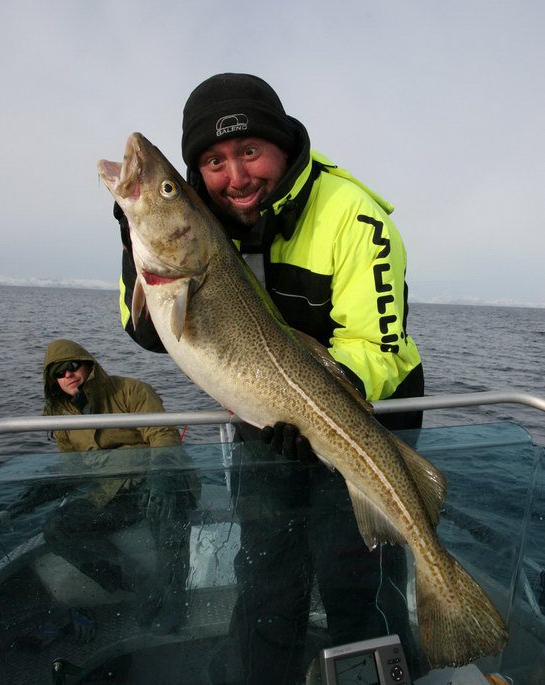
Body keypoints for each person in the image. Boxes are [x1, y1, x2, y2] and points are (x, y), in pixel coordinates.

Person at [115, 74, 425, 682]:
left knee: (355, 577)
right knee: (266, 573)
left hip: (364, 410)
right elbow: (149, 333)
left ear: (284, 146)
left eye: (250, 151)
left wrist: (319, 405)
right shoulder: (201, 221)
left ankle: (401, 657)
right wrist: (137, 244)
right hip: (266, 412)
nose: (236, 177)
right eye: (212, 161)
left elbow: (379, 346)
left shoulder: (353, 215)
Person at [23, 339, 199, 634]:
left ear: (88, 364)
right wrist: (45, 489)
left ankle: (173, 597)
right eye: (58, 372)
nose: (67, 375)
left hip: (158, 477)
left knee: (167, 511)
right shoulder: (61, 417)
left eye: (72, 366)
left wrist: (161, 478)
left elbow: (163, 436)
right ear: (52, 381)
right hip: (113, 493)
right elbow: (73, 467)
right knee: (57, 527)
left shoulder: (131, 391)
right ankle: (140, 583)